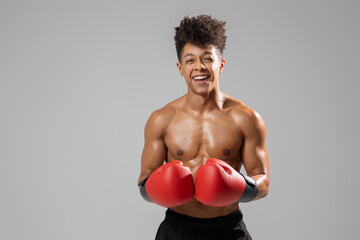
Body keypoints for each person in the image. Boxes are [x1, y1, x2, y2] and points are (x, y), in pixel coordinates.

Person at [137, 15, 269, 240]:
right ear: (180, 67)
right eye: (190, 60)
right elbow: (144, 181)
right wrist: (161, 188)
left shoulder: (246, 118)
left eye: (207, 58)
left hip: (228, 229)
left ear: (221, 64)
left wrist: (238, 187)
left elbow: (262, 180)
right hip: (177, 229)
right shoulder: (162, 119)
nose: (199, 67)